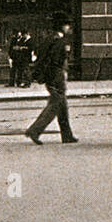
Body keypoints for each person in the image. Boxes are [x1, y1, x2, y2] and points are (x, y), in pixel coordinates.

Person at [24, 14, 78, 145]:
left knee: (62, 105)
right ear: (62, 26)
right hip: (56, 76)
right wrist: (62, 73)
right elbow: (57, 61)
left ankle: (67, 135)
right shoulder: (60, 41)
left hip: (50, 76)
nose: (68, 27)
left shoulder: (48, 39)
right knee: (55, 105)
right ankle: (35, 130)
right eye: (67, 25)